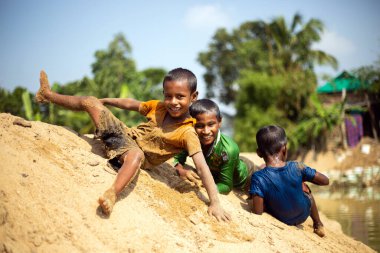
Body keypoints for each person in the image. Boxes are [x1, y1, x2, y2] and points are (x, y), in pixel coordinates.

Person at [35, 68, 230, 221]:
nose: (173, 102)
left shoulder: (188, 132)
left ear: (193, 97)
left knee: (136, 155)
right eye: (168, 96)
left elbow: (202, 167)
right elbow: (131, 103)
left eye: (180, 96)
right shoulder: (159, 107)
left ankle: (112, 193)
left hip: (134, 155)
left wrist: (215, 203)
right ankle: (47, 95)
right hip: (122, 135)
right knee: (89, 101)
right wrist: (104, 101)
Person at [249, 125, 329, 237]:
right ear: (284, 149)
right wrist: (303, 176)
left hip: (280, 216)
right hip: (303, 214)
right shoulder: (297, 167)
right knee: (305, 188)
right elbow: (325, 181)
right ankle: (318, 224)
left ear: (259, 153)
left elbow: (258, 211)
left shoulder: (258, 177)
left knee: (264, 194)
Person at [173, 99, 258, 194]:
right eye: (199, 126)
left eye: (211, 124)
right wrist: (180, 170)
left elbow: (226, 185)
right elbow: (176, 159)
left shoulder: (229, 149)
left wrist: (204, 188)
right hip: (224, 166)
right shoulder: (190, 138)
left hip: (246, 177)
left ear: (220, 122)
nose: (206, 131)